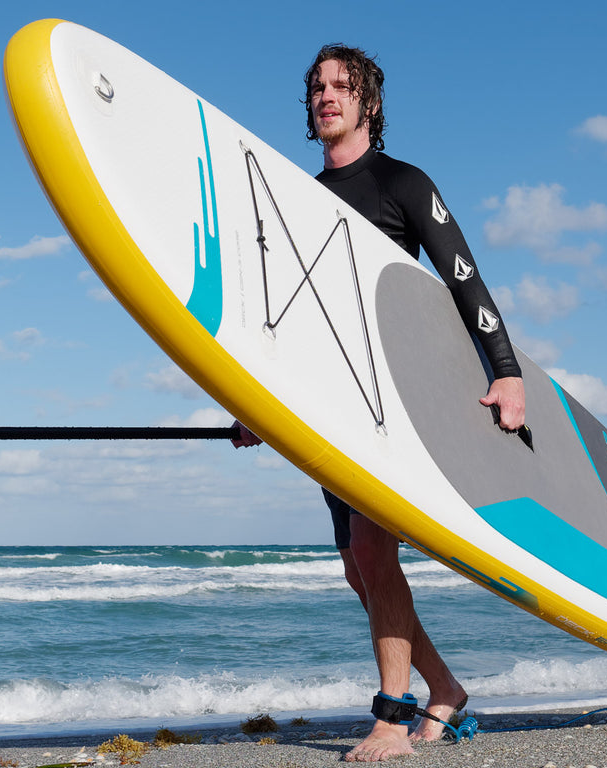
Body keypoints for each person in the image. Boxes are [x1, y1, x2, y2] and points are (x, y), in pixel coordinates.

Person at [233, 43, 526, 763]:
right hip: (330, 410)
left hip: (391, 402)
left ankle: (392, 718)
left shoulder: (404, 183)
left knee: (372, 545)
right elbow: (292, 320)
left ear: (369, 103)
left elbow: (465, 281)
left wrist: (508, 372)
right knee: (357, 567)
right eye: (317, 87)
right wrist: (254, 406)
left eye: (343, 85)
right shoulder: (302, 199)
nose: (327, 96)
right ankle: (444, 689)